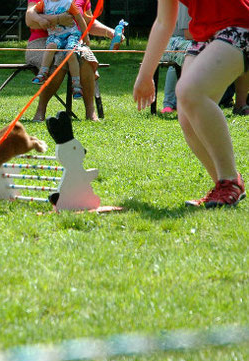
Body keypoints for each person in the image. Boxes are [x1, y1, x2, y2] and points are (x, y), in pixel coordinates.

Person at [134, 0, 247, 208]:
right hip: (205, 35)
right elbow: (163, 22)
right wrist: (145, 74)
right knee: (186, 113)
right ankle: (224, 185)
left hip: (240, 25)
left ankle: (229, 181)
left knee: (190, 91)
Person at [25, 0, 117, 121]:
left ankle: (90, 112)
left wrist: (110, 32)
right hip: (41, 42)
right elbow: (30, 20)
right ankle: (40, 111)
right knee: (60, 58)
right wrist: (58, 19)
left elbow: (87, 22)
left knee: (85, 56)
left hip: (71, 39)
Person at [31, 0, 90, 100]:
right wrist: (40, 19)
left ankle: (76, 85)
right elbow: (32, 13)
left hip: (71, 34)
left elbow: (80, 19)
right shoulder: (44, 3)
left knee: (70, 53)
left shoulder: (68, 3)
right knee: (50, 46)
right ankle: (42, 73)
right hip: (55, 35)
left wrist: (86, 38)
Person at [159, 2, 191, 114]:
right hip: (173, 41)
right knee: (188, 52)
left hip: (188, 41)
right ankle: (169, 103)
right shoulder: (185, 4)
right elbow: (188, 34)